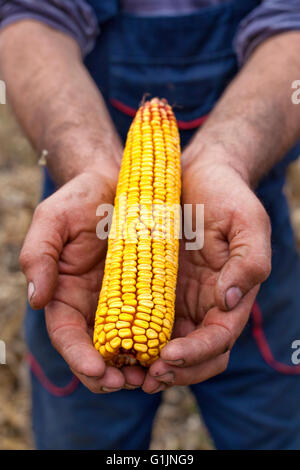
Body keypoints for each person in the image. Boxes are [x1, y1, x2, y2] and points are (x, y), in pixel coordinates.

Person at [0, 0, 300, 450]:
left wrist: (229, 159)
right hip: (88, 243)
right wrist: (87, 163)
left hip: (233, 236)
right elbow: (31, 18)